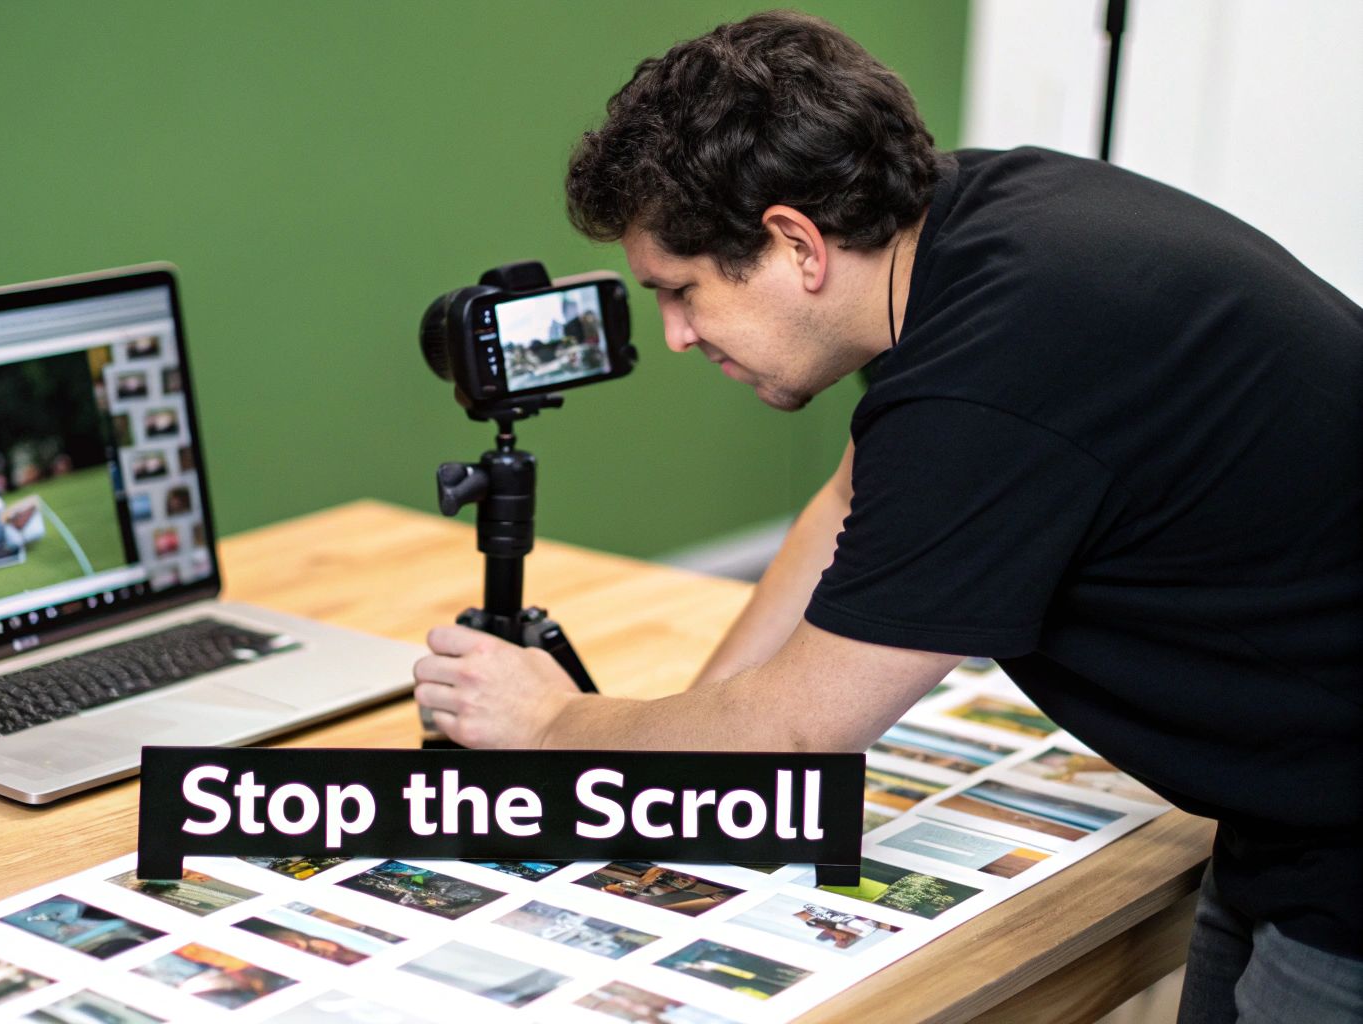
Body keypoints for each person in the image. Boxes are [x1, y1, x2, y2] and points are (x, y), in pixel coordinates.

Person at [409, 11, 1362, 1021]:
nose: (676, 336)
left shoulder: (987, 379)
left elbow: (801, 730)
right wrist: (680, 748)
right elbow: (844, 502)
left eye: (680, 292)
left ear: (792, 242)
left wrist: (558, 724)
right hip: (1287, 803)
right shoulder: (978, 217)